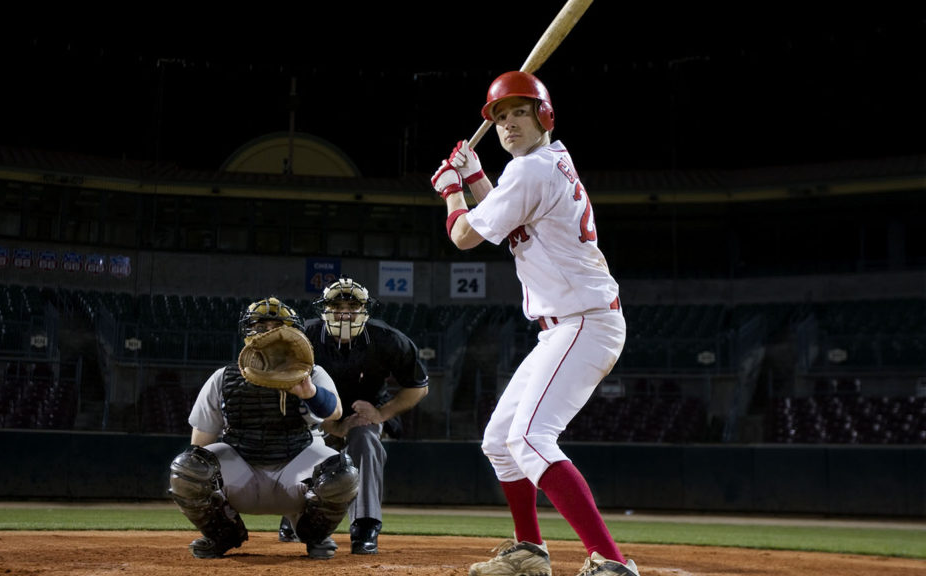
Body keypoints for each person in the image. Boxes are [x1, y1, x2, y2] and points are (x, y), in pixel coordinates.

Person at [430, 71, 639, 576]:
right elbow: (510, 222)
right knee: (499, 441)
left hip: (583, 321)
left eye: (519, 112)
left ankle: (611, 562)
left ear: (544, 115)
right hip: (569, 324)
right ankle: (529, 550)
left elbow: (464, 236)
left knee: (529, 438)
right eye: (499, 117)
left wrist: (451, 191)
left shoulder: (530, 171)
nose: (507, 125)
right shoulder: (547, 164)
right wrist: (477, 176)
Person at [168, 297, 359, 561]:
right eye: (260, 325)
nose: (268, 332)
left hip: (296, 469)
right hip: (242, 471)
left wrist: (309, 392)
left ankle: (313, 533)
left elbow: (334, 412)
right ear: (247, 332)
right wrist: (198, 484)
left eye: (276, 326)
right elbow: (200, 445)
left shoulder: (310, 373)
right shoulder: (223, 377)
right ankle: (223, 533)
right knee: (187, 468)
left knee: (342, 472)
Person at [278, 276, 429, 555]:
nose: (345, 312)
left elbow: (418, 387)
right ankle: (296, 513)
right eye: (337, 305)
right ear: (324, 308)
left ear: (365, 309)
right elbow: (286, 388)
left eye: (352, 305)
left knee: (365, 439)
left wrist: (382, 413)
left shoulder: (388, 339)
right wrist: (330, 424)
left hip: (365, 411)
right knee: (299, 439)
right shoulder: (303, 338)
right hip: (314, 411)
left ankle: (365, 525)